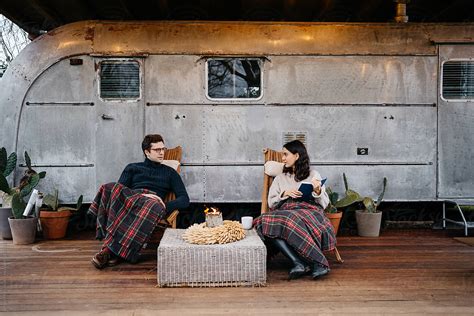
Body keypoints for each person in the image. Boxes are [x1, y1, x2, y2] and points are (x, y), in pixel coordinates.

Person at [88, 134, 189, 269]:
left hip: (152, 204)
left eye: (163, 149)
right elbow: (119, 192)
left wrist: (163, 204)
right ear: (147, 152)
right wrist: (139, 196)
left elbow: (184, 199)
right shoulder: (132, 168)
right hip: (133, 199)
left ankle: (108, 251)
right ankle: (114, 251)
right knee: (109, 187)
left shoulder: (170, 173)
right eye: (157, 150)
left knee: (152, 205)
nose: (162, 153)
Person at [254, 140, 336, 280]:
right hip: (286, 211)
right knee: (264, 221)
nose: (283, 158)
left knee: (289, 219)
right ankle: (298, 263)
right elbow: (271, 202)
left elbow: (324, 203)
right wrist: (285, 194)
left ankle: (316, 263)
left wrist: (317, 190)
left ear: (297, 156)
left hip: (309, 210)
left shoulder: (313, 175)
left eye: (286, 154)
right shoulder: (280, 178)